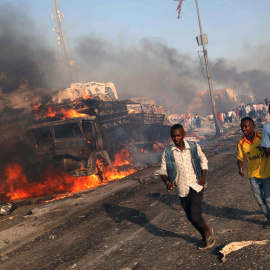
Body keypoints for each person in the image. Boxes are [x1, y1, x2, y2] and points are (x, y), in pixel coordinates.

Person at [157, 124, 215, 249]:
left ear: (184, 134)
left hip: (196, 185)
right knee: (190, 217)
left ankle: (207, 232)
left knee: (194, 214)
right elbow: (163, 171)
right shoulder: (168, 152)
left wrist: (203, 176)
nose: (176, 138)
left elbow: (203, 160)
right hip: (182, 188)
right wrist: (167, 183)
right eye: (173, 136)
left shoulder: (193, 146)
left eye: (178, 135)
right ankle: (205, 234)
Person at [237, 117, 270, 228]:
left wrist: (265, 148)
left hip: (266, 173)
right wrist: (241, 168)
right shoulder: (241, 143)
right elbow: (240, 158)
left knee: (268, 198)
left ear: (253, 126)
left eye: (246, 126)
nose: (244, 129)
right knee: (260, 200)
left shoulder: (262, 136)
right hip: (253, 176)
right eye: (242, 126)